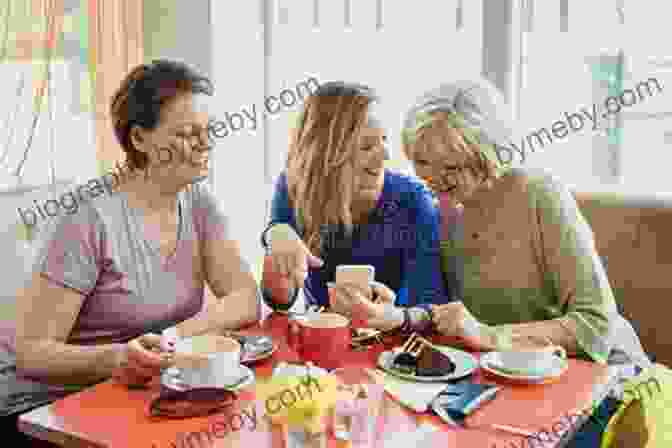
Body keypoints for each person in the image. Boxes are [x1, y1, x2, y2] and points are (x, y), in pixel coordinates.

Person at [2, 60, 260, 445]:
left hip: (136, 396)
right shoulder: (87, 216)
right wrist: (117, 358)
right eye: (189, 134)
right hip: (44, 410)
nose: (206, 144)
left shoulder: (198, 202)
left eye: (208, 131)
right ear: (140, 139)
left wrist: (170, 338)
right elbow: (32, 354)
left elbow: (244, 299)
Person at [401, 78, 651, 448]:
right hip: (511, 386)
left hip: (604, 385)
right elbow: (443, 313)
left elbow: (596, 324)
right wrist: (395, 310)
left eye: (451, 165)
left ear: (486, 151)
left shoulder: (539, 195)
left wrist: (489, 336)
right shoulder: (437, 207)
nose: (434, 179)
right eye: (422, 161)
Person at [261, 81, 458, 332]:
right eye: (366, 146)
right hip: (323, 344)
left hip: (393, 350)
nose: (384, 156)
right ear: (326, 155)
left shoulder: (412, 200)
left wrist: (394, 313)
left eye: (384, 140)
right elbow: (280, 299)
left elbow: (429, 303)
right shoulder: (295, 187)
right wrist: (275, 238)